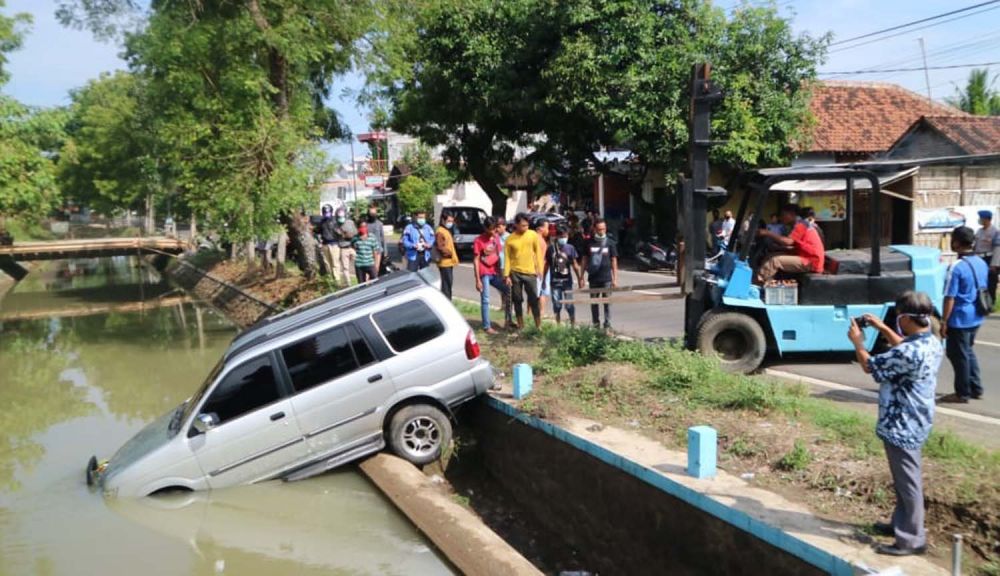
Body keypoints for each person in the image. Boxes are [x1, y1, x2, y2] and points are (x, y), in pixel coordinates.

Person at [847, 291, 942, 557]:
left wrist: (858, 343)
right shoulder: (931, 342)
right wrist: (883, 328)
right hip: (917, 418)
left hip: (902, 423)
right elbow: (903, 347)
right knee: (904, 479)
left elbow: (872, 367)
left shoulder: (910, 353)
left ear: (906, 318)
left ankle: (912, 539)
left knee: (908, 481)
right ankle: (900, 525)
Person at [941, 226, 988, 403]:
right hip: (977, 314)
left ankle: (962, 393)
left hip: (960, 317)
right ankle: (976, 387)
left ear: (957, 243)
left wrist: (944, 321)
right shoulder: (980, 262)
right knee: (968, 351)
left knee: (958, 355)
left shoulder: (956, 267)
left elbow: (949, 297)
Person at [755, 204, 825, 284]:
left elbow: (788, 242)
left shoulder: (801, 225)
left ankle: (757, 284)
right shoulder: (798, 224)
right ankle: (768, 282)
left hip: (811, 261)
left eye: (783, 215)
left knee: (775, 261)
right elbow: (793, 244)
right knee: (771, 255)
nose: (781, 218)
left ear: (792, 214)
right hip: (805, 256)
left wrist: (767, 233)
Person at [503, 213, 544, 330]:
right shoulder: (510, 239)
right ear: (516, 225)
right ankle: (521, 325)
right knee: (517, 300)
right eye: (522, 225)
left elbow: (538, 253)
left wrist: (540, 269)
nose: (525, 228)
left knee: (533, 300)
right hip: (515, 273)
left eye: (527, 225)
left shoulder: (533, 235)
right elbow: (507, 259)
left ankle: (538, 326)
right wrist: (506, 275)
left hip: (530, 273)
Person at [474, 217, 509, 334]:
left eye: (495, 229)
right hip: (484, 273)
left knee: (508, 290)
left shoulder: (496, 238)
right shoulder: (479, 240)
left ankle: (508, 320)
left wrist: (502, 274)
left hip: (494, 272)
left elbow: (499, 255)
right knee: (486, 299)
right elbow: (476, 260)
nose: (494, 231)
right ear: (486, 228)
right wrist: (477, 280)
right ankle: (486, 326)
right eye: (491, 229)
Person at [583, 218, 618, 330]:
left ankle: (607, 325)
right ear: (594, 229)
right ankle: (596, 324)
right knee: (594, 302)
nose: (601, 231)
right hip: (593, 278)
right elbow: (584, 260)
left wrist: (615, 279)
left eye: (603, 229)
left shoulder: (610, 243)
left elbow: (614, 260)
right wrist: (581, 277)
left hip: (606, 278)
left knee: (607, 302)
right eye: (599, 229)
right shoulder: (589, 243)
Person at [545, 225, 583, 325]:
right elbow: (547, 265)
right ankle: (558, 323)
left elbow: (575, 265)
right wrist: (544, 279)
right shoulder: (551, 249)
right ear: (557, 236)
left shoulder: (570, 248)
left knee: (569, 305)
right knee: (557, 304)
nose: (564, 238)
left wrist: (580, 279)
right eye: (561, 236)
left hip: (567, 282)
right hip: (555, 282)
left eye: (565, 236)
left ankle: (573, 323)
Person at [974, 209, 1000, 302]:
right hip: (979, 258)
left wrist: (994, 264)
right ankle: (982, 302)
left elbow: (998, 249)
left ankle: (991, 302)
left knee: (991, 282)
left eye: (981, 218)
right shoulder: (979, 231)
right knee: (980, 281)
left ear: (987, 219)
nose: (980, 220)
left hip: (990, 259)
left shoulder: (995, 232)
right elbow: (975, 246)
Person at [329, 207, 358, 286]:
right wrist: (340, 234)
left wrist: (348, 235)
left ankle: (362, 280)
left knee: (359, 263)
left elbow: (355, 233)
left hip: (352, 247)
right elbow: (334, 237)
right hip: (343, 248)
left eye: (342, 217)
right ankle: (348, 284)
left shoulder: (350, 223)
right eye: (339, 217)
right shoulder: (335, 226)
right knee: (345, 268)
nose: (341, 219)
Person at [435, 212, 459, 300]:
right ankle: (447, 301)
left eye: (452, 221)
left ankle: (448, 300)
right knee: (446, 285)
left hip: (448, 262)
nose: (450, 223)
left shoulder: (446, 230)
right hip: (444, 262)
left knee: (448, 284)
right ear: (443, 220)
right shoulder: (440, 231)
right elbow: (440, 247)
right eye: (449, 221)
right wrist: (449, 253)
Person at [534, 219, 552, 316]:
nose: (548, 230)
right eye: (547, 228)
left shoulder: (534, 238)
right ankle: (538, 314)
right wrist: (542, 273)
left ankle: (536, 313)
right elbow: (541, 259)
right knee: (539, 293)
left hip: (537, 270)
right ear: (541, 228)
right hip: (540, 270)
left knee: (538, 293)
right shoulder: (540, 241)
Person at [366, 203, 388, 276]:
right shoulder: (365, 224)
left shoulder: (379, 224)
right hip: (368, 251)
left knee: (377, 270)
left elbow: (383, 238)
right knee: (368, 270)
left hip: (378, 250)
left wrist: (385, 251)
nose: (372, 214)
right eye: (371, 213)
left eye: (374, 213)